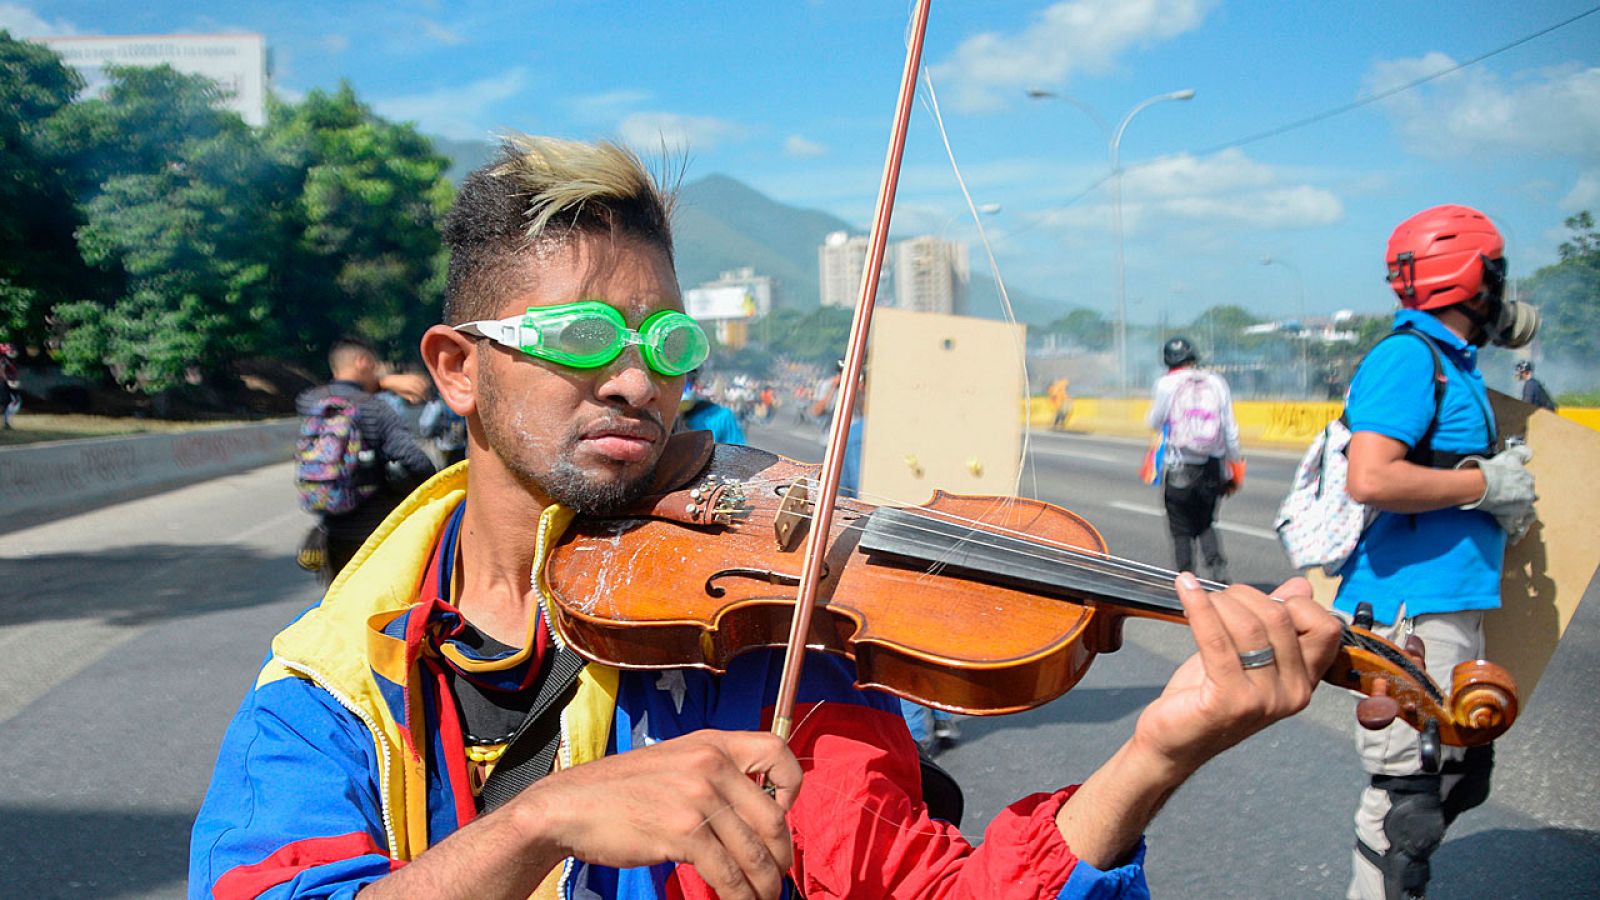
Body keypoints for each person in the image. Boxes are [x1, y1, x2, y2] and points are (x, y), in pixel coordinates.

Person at [192, 135, 1343, 900]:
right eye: (588, 336)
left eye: (669, 343)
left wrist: (1153, 753)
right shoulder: (330, 685)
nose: (640, 381)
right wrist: (537, 824)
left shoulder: (760, 653)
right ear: (457, 368)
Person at [1336, 204, 1540, 900]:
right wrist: (1483, 483)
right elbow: (1370, 477)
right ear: (1475, 276)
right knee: (1406, 806)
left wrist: (1492, 494)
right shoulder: (1407, 357)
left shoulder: (1457, 362)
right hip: (1411, 614)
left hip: (1451, 599)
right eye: (1497, 273)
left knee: (1461, 777)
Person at [295, 337, 438, 582]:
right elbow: (416, 461)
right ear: (362, 362)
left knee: (339, 599)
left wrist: (378, 383)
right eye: (375, 367)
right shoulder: (375, 408)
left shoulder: (311, 403)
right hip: (373, 531)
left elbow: (317, 396)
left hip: (332, 530)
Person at [1146, 337, 1244, 584]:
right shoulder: (1216, 382)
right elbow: (1230, 429)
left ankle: (1187, 578)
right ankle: (1217, 569)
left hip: (1180, 466)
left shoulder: (1166, 384)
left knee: (1181, 527)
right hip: (1212, 466)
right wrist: (1233, 465)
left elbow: (1154, 422)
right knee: (1206, 522)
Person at [675, 369, 746, 444]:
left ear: (696, 385)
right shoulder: (663, 417)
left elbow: (734, 452)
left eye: (687, 383)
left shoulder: (721, 417)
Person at [0, 343, 20, 430]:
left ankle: (6, 422)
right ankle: (6, 422)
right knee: (12, 401)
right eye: (11, 350)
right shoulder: (4, 360)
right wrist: (7, 380)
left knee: (13, 401)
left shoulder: (12, 360)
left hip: (9, 383)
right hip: (4, 383)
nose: (13, 352)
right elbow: (1, 370)